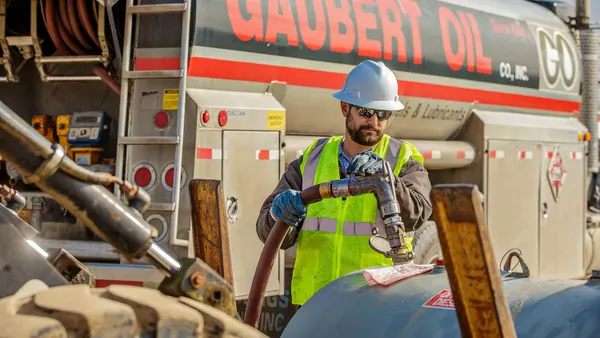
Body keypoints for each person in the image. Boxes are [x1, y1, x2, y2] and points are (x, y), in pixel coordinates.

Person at [255, 60, 433, 307]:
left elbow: (418, 212)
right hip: (315, 304)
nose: (374, 121)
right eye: (366, 112)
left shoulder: (402, 159)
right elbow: (269, 231)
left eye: (383, 114)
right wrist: (278, 214)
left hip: (374, 305)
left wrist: (387, 180)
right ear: (345, 107)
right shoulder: (313, 159)